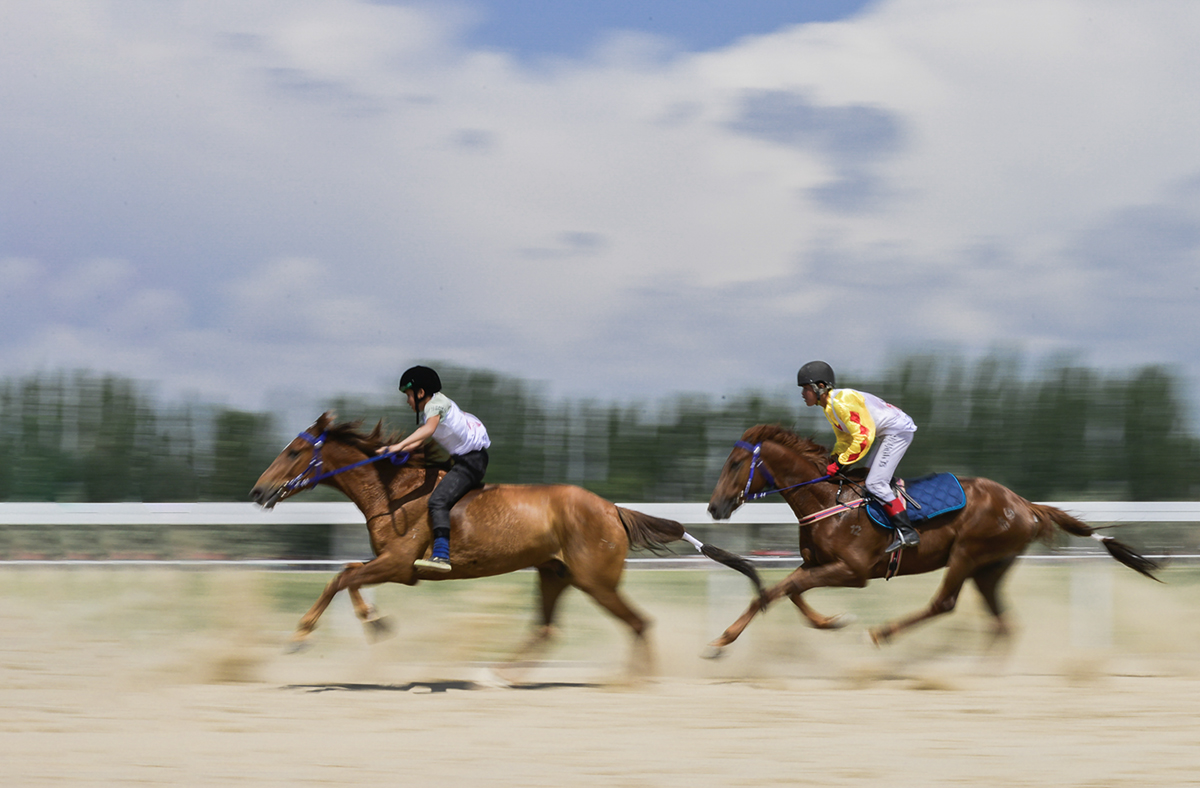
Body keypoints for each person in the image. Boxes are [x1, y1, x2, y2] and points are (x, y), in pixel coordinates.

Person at [796, 360, 920, 553]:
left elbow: (863, 437)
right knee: (869, 479)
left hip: (897, 432)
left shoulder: (841, 402)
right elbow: (845, 438)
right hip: (886, 433)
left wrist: (840, 463)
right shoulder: (829, 407)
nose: (803, 394)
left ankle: (907, 531)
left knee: (875, 483)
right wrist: (835, 458)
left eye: (806, 388)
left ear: (820, 386)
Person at [378, 365, 490, 572]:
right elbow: (419, 440)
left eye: (409, 395)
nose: (407, 400)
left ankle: (441, 555)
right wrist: (390, 452)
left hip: (471, 462)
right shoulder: (434, 406)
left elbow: (428, 430)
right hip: (467, 459)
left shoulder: (434, 406)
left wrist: (398, 446)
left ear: (421, 393)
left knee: (438, 501)